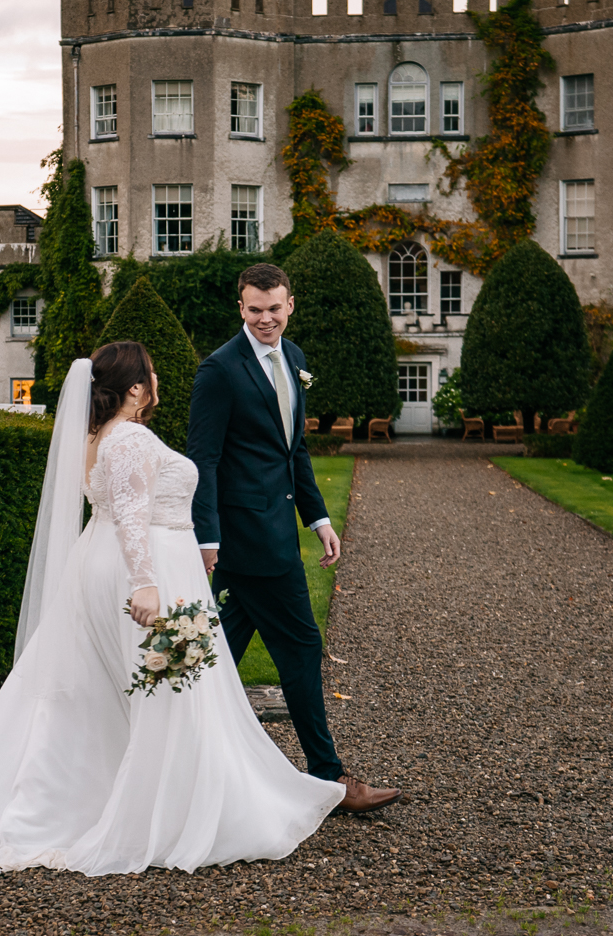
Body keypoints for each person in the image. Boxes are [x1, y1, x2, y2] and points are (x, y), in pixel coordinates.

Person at [0, 341, 344, 875]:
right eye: (151, 373)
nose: (157, 379)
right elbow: (130, 515)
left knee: (133, 689)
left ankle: (160, 798)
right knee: (171, 690)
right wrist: (147, 585)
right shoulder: (127, 437)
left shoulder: (99, 435)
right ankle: (172, 815)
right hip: (146, 570)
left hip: (124, 561)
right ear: (134, 388)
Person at [187, 262, 403, 815]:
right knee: (301, 649)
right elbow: (204, 460)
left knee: (208, 657)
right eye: (255, 309)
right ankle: (331, 781)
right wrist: (207, 537)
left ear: (290, 306)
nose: (265, 319)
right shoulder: (219, 370)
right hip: (247, 542)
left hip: (276, 530)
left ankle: (175, 762)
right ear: (241, 308)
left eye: (274, 308)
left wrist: (320, 518)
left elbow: (293, 451)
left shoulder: (295, 358)